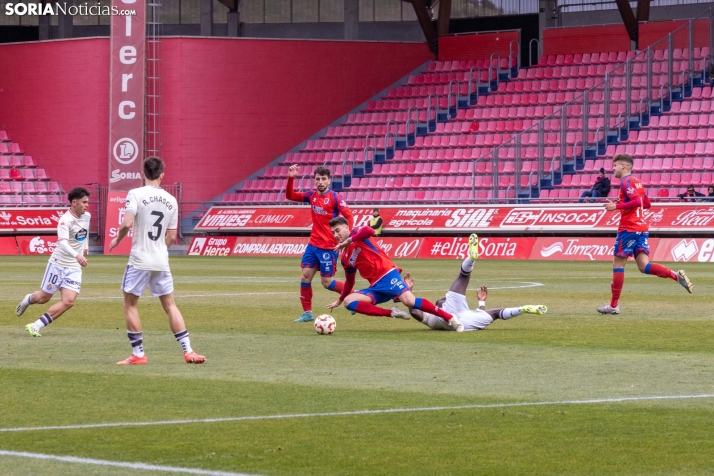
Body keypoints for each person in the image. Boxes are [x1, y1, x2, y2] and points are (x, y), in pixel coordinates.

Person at [109, 157, 205, 365]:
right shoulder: (171, 200)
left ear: (142, 174)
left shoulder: (135, 194)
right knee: (170, 305)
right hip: (161, 260)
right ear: (162, 175)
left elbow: (126, 223)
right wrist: (159, 249)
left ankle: (139, 354)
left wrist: (117, 239)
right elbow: (171, 237)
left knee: (130, 305)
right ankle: (188, 351)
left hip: (139, 260)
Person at [326, 217, 464, 332]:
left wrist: (350, 240)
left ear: (346, 228)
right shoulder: (344, 257)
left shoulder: (356, 233)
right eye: (333, 233)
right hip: (375, 287)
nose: (336, 235)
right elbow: (350, 282)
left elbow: (370, 230)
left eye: (337, 230)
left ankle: (449, 318)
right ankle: (392, 312)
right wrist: (339, 300)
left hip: (388, 274)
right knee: (348, 301)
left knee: (410, 301)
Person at [597, 153, 693, 315]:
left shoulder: (625, 181)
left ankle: (613, 305)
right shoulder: (637, 182)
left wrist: (617, 207)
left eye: (615, 166)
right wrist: (623, 203)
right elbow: (646, 203)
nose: (612, 168)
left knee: (618, 265)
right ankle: (676, 276)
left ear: (624, 166)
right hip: (641, 228)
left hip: (629, 228)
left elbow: (638, 202)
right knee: (644, 266)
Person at [405, 234, 547, 331]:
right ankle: (471, 258)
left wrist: (481, 303)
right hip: (463, 319)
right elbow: (417, 313)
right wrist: (409, 293)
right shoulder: (440, 311)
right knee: (462, 277)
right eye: (442, 299)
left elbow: (416, 313)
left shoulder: (434, 321)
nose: (443, 297)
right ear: (438, 305)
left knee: (496, 313)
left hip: (465, 325)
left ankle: (522, 309)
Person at [16, 188, 91, 337]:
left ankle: (36, 325)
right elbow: (62, 243)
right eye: (84, 202)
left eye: (87, 202)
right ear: (74, 202)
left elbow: (85, 232)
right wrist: (77, 255)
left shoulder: (86, 216)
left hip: (74, 267)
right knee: (43, 298)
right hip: (58, 264)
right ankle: (29, 299)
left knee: (69, 301)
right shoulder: (65, 220)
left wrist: (86, 247)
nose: (87, 205)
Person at [286, 164, 353, 322]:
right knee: (305, 277)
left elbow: (348, 216)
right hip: (313, 245)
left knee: (327, 282)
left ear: (329, 181)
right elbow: (290, 195)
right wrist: (291, 178)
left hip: (329, 248)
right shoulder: (311, 196)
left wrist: (347, 235)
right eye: (317, 179)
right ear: (314, 181)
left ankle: (353, 297)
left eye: (323, 179)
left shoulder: (335, 197)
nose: (320, 182)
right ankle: (307, 313)